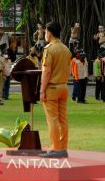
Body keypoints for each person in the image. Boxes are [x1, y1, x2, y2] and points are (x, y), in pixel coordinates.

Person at [39, 22, 72, 158]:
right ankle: (62, 148)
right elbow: (69, 70)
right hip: (63, 86)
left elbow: (46, 71)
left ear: (50, 33)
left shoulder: (49, 49)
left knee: (52, 119)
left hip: (51, 87)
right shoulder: (66, 49)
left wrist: (42, 90)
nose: (45, 34)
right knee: (63, 119)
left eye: (45, 31)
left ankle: (55, 148)